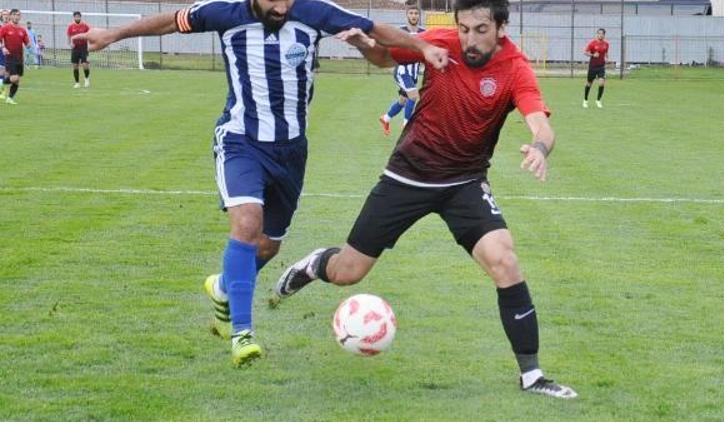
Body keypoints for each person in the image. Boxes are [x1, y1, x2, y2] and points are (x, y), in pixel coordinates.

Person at [74, 0, 448, 367]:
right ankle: (242, 334)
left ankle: (224, 287)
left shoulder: (313, 11)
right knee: (247, 223)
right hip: (240, 140)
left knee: (269, 245)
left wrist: (423, 45)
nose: (282, 7)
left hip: (291, 150)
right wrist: (112, 34)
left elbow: (374, 29)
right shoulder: (223, 13)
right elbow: (170, 21)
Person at [275, 0, 577, 399]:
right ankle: (316, 264)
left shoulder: (515, 68)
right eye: (464, 28)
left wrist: (539, 148)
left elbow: (541, 124)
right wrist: (364, 45)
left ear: (502, 27)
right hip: (407, 175)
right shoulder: (440, 41)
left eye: (481, 30)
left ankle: (532, 376)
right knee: (349, 271)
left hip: (464, 182)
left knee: (505, 260)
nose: (469, 39)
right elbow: (385, 57)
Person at [378, 3, 425, 136]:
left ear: (419, 16)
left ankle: (386, 118)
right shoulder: (400, 31)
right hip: (402, 72)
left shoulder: (423, 32)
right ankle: (407, 126)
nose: (414, 16)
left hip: (414, 72)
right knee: (414, 95)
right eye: (411, 13)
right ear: (407, 15)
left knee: (403, 100)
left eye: (416, 13)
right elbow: (389, 48)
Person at [0, 9, 30, 105]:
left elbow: (26, 43)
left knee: (17, 81)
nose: (17, 17)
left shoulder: (22, 30)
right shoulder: (5, 28)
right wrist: (3, 47)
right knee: (14, 78)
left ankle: (10, 98)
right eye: (15, 15)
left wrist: (29, 45)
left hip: (19, 58)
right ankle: (1, 83)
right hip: (10, 57)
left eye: (18, 15)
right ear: (11, 16)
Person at [582, 27, 608, 109]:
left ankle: (598, 100)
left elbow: (606, 53)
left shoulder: (606, 44)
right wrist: (592, 55)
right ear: (597, 34)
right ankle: (585, 100)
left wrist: (607, 58)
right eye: (599, 33)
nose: (600, 35)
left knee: (601, 82)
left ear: (604, 35)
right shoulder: (592, 43)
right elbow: (585, 52)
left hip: (601, 66)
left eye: (602, 34)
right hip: (593, 66)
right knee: (589, 83)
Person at [67, 12, 91, 88]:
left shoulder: (85, 26)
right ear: (74, 17)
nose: (77, 18)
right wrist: (70, 43)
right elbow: (69, 36)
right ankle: (77, 83)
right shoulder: (71, 26)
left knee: (84, 64)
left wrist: (90, 44)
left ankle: (86, 79)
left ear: (80, 17)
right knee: (75, 65)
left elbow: (90, 34)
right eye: (75, 17)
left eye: (78, 16)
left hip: (84, 47)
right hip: (75, 48)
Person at [0, 9, 10, 97]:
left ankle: (2, 90)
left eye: (7, 14)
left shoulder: (11, 27)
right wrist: (2, 47)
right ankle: (2, 91)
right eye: (3, 14)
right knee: (2, 70)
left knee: (7, 72)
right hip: (2, 50)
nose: (5, 16)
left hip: (10, 51)